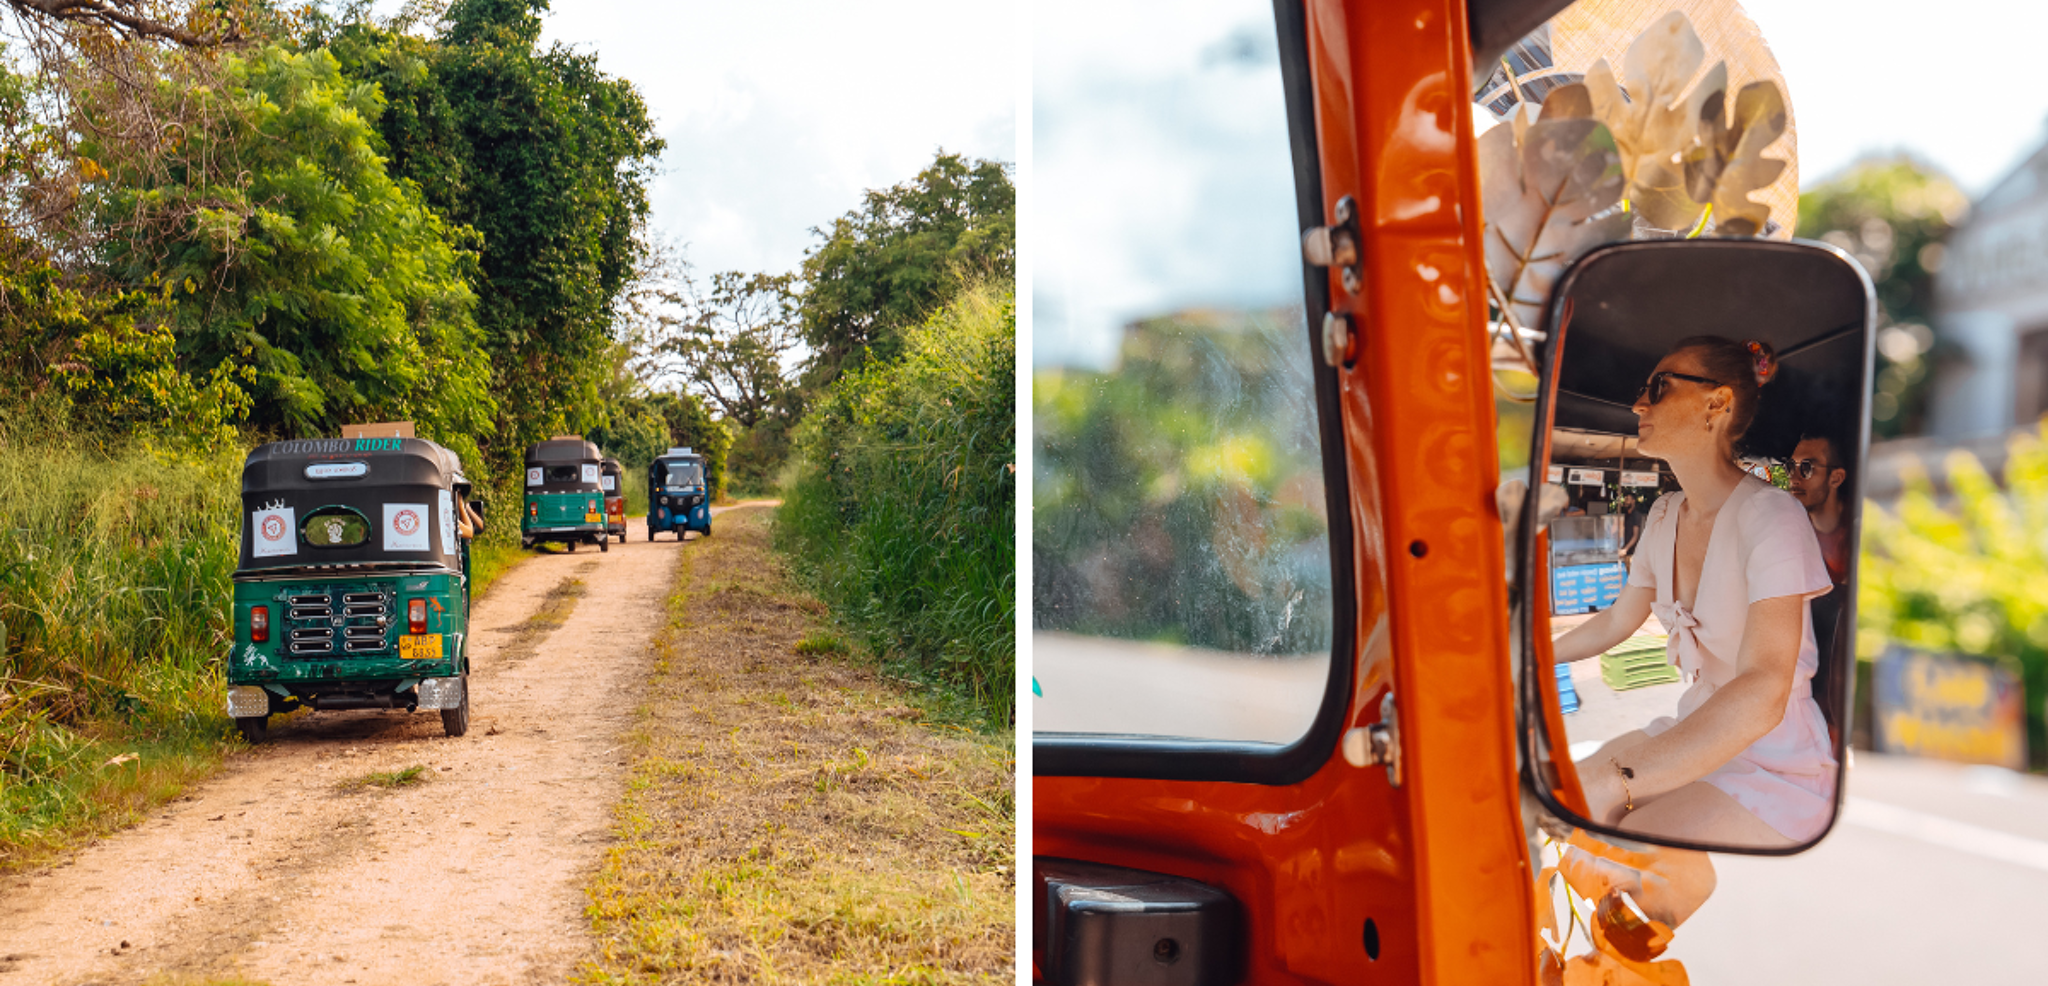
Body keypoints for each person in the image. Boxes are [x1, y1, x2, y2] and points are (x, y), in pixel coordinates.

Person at [1552, 336, 1835, 849]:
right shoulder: (1662, 516)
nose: (1639, 403)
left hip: (1771, 751)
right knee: (1564, 796)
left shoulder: (1773, 516)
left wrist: (1619, 779)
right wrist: (1521, 656)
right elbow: (1617, 621)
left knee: (1620, 840)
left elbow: (1764, 689)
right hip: (1696, 725)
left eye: (1659, 387)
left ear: (1717, 403)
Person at [1785, 433, 1850, 588]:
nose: (1793, 478)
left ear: (1836, 478)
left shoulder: (1863, 526)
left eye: (1807, 468)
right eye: (1790, 467)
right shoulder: (1789, 530)